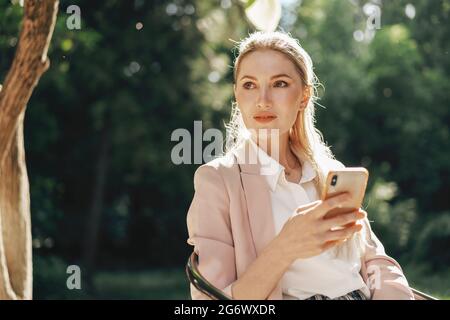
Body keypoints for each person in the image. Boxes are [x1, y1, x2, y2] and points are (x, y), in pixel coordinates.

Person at [186, 31, 414, 300]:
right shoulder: (218, 180)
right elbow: (212, 300)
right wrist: (285, 247)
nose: (263, 100)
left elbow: (374, 260)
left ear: (304, 97)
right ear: (236, 94)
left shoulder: (328, 171)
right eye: (249, 85)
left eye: (279, 84)